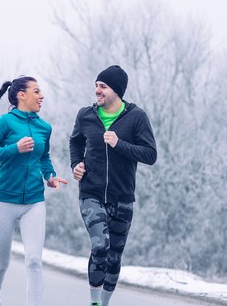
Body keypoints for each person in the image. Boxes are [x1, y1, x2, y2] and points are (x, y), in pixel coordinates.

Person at [0, 76, 69, 306]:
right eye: (37, 91)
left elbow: (44, 158)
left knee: (34, 260)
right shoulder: (5, 122)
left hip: (34, 202)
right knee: (0, 264)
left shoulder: (44, 127)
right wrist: (13, 148)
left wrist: (50, 176)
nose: (42, 95)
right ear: (21, 95)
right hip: (4, 200)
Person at [69, 65, 157, 306]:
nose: (97, 90)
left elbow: (150, 154)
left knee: (115, 256)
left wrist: (120, 144)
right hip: (91, 194)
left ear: (117, 91)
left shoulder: (137, 117)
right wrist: (76, 163)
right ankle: (94, 302)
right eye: (96, 85)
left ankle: (105, 303)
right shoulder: (85, 115)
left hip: (123, 197)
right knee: (100, 245)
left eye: (102, 86)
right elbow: (75, 142)